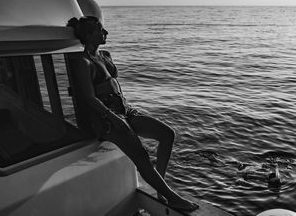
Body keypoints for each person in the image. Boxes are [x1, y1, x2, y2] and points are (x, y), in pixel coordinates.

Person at [67, 16, 199, 212]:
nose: (105, 33)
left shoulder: (105, 55)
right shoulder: (83, 62)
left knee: (167, 134)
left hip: (125, 110)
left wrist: (123, 114)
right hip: (106, 119)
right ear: (88, 35)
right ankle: (173, 198)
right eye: (100, 30)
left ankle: (161, 187)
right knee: (141, 156)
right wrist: (114, 118)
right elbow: (89, 98)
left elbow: (113, 85)